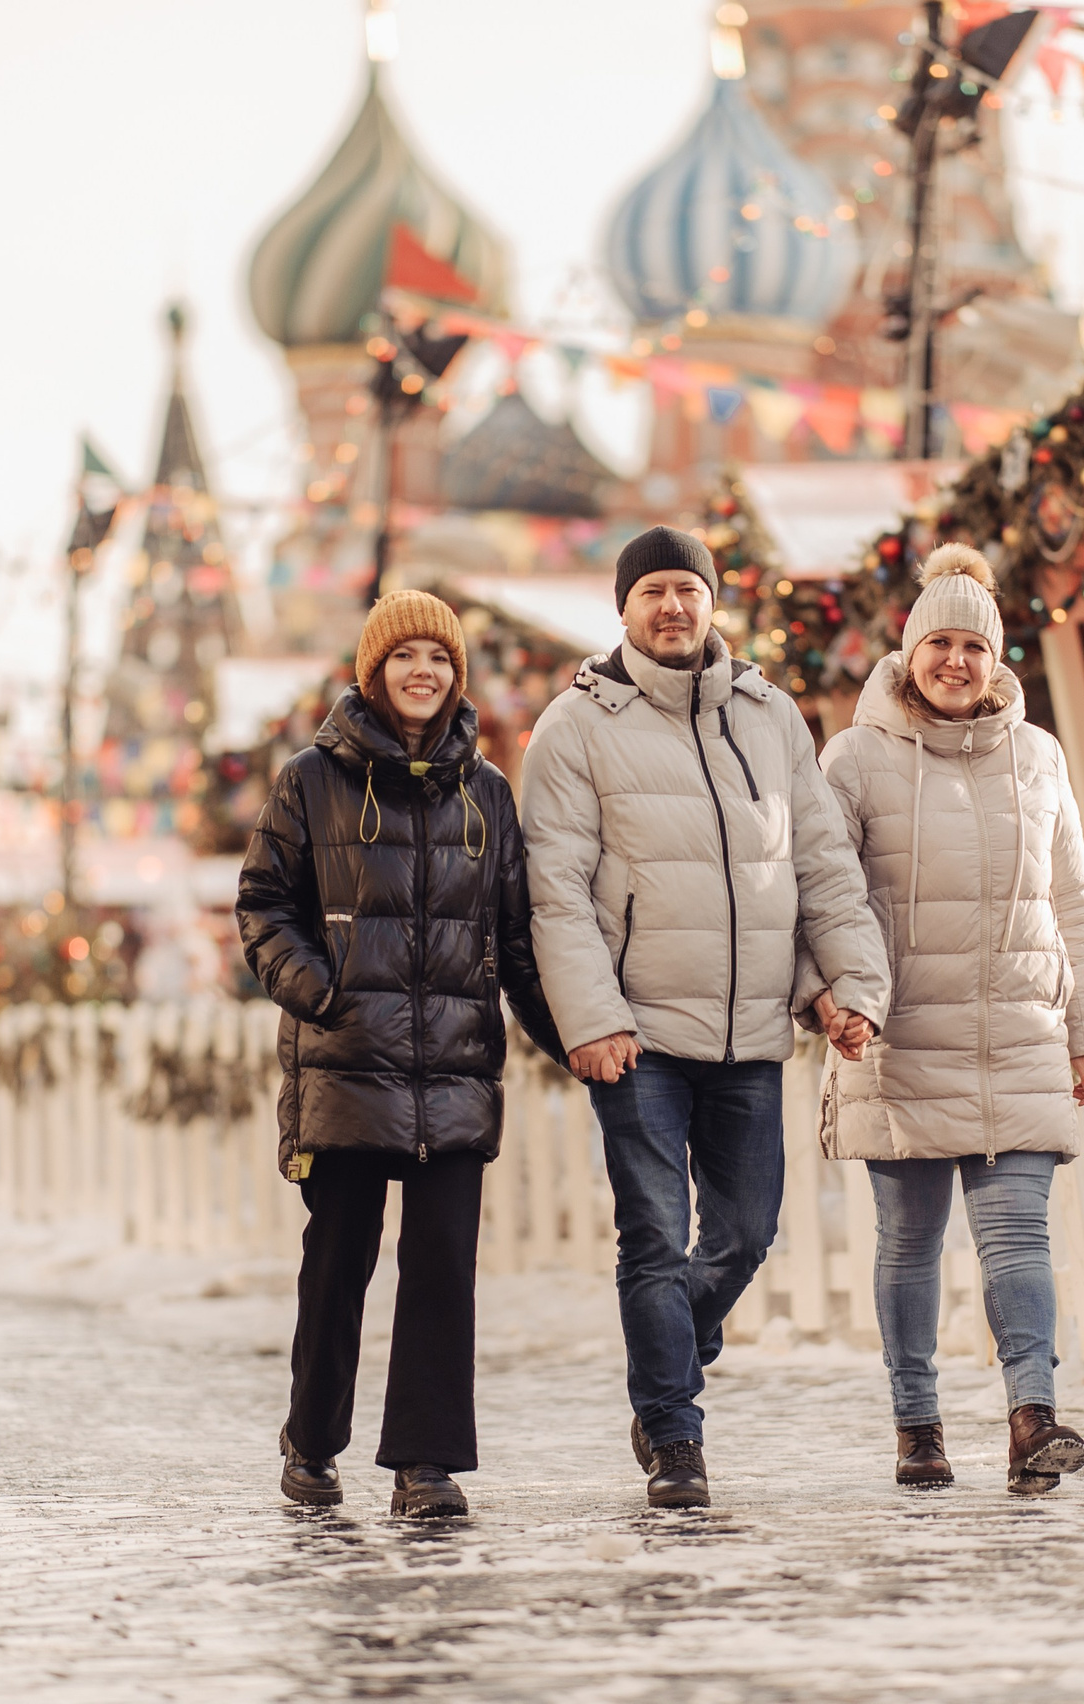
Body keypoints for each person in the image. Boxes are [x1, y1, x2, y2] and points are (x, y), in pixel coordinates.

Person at [520, 524, 889, 1510]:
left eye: (688, 589)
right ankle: (675, 1438)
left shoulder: (768, 717)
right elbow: (554, 891)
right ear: (624, 610)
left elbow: (819, 865)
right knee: (653, 1232)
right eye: (654, 594)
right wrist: (588, 1020)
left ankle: (669, 1345)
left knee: (746, 1230)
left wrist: (840, 985)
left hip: (751, 1031)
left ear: (711, 601)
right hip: (636, 1035)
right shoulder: (576, 725)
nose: (673, 608)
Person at [237, 590, 563, 1519]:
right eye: (404, 657)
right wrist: (319, 991)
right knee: (340, 1260)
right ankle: (312, 1440)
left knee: (440, 1268)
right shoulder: (312, 779)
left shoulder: (488, 793)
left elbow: (518, 936)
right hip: (347, 1065)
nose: (423, 672)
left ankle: (425, 1465)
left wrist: (573, 1037)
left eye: (440, 659)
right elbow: (264, 905)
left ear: (457, 676)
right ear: (372, 670)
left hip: (457, 1072)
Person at [804, 543, 1084, 1494]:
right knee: (911, 1243)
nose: (955, 662)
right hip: (901, 1038)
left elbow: (1074, 900)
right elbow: (822, 891)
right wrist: (834, 996)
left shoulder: (1038, 755)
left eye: (972, 646)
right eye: (938, 642)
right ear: (907, 654)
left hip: (1019, 1032)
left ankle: (1033, 1418)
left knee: (1020, 1235)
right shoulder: (853, 760)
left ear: (996, 657)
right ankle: (918, 1425)